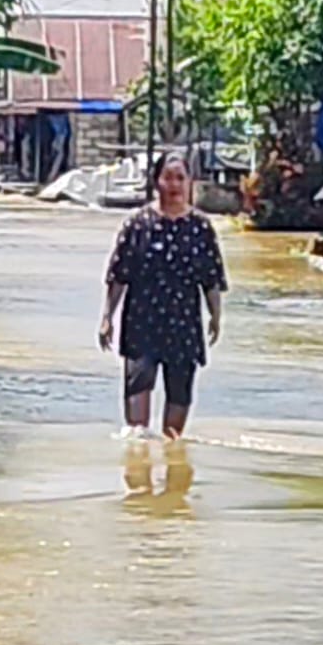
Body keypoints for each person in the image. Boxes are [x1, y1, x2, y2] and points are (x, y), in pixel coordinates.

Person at [98, 152, 228, 440]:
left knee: (179, 396)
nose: (174, 185)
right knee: (137, 397)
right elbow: (119, 275)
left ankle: (172, 458)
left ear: (190, 182)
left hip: (183, 324)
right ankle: (138, 459)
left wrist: (215, 316)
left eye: (180, 178)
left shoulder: (201, 228)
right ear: (156, 181)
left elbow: (211, 278)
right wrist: (107, 318)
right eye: (168, 178)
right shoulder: (137, 224)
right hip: (141, 321)